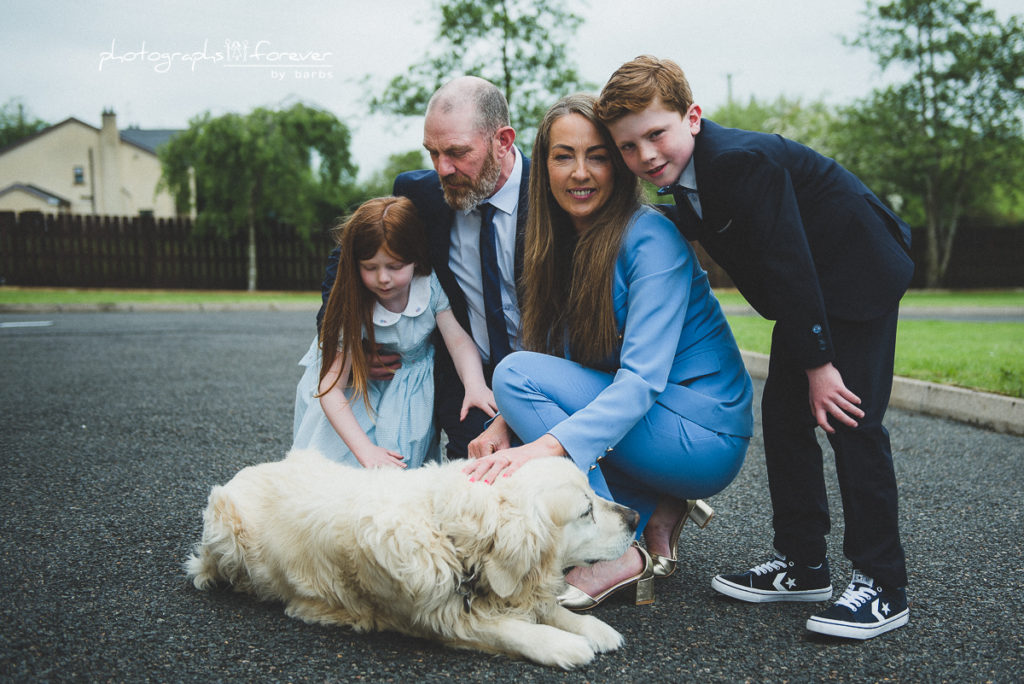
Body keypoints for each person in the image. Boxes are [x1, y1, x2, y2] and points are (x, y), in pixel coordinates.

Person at [595, 55, 913, 640]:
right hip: (813, 293)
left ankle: (882, 584)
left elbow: (789, 262)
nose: (645, 156)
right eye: (627, 147)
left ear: (692, 117)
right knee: (786, 420)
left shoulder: (740, 163)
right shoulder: (687, 177)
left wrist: (819, 364)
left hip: (857, 274)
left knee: (850, 419)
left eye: (656, 135)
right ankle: (804, 564)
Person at [463, 94, 754, 610]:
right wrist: (506, 424)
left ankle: (613, 556)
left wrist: (541, 446)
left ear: (618, 164)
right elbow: (559, 357)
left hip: (703, 432)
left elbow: (638, 381)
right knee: (526, 396)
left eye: (596, 155)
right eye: (562, 155)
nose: (580, 172)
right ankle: (652, 506)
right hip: (654, 423)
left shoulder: (651, 238)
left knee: (513, 376)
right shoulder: (555, 241)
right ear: (543, 165)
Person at [313, 76, 529, 460]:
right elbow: (345, 261)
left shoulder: (551, 197)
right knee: (473, 491)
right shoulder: (424, 195)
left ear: (503, 141)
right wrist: (358, 343)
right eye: (432, 152)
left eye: (457, 152)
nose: (442, 169)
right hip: (467, 383)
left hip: (541, 373)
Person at [293, 196, 496, 468]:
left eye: (395, 266)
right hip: (357, 399)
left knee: (401, 468)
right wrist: (366, 451)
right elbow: (330, 389)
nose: (383, 278)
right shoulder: (353, 301)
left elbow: (458, 342)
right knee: (343, 470)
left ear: (416, 258)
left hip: (409, 393)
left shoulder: (429, 287)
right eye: (370, 267)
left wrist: (475, 385)